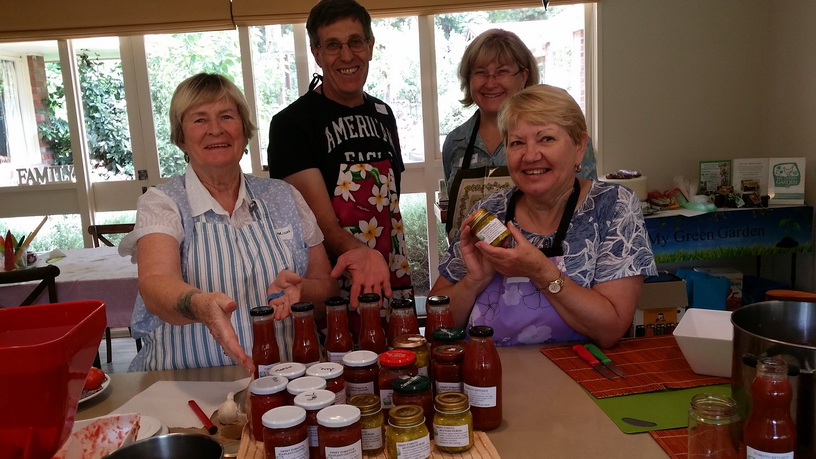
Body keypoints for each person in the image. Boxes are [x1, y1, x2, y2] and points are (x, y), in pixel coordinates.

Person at [120, 73, 338, 372]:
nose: (215, 130)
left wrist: (303, 292)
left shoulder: (283, 196)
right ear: (181, 138)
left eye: (226, 116)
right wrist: (199, 305)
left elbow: (326, 288)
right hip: (187, 386)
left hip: (289, 377)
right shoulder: (163, 202)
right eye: (199, 120)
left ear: (244, 131)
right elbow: (155, 285)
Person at [430, 84, 656, 348]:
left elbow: (610, 329)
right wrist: (474, 281)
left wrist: (539, 270)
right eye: (517, 143)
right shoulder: (489, 213)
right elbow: (437, 328)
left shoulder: (612, 207)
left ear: (579, 146)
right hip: (489, 376)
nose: (530, 155)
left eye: (546, 139)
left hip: (579, 378)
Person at [267, 0, 412, 307]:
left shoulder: (384, 114)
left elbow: (390, 207)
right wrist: (363, 255)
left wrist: (383, 264)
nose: (347, 56)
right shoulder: (292, 124)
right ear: (316, 53)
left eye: (356, 42)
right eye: (333, 45)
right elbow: (318, 221)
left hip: (388, 275)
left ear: (370, 47)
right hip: (330, 285)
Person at [442, 29, 597, 199]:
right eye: (481, 73)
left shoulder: (563, 134)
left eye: (502, 72)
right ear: (468, 79)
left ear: (523, 76)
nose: (490, 83)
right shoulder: (455, 142)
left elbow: (588, 207)